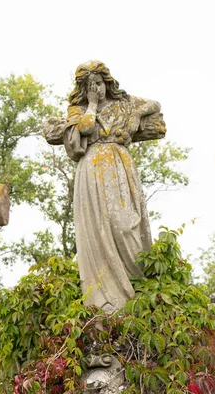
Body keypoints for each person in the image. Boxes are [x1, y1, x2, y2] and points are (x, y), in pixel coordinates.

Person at [63, 60, 161, 312]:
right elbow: (83, 129)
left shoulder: (123, 104)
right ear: (84, 89)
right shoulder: (79, 111)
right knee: (95, 232)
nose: (97, 88)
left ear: (107, 82)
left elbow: (155, 105)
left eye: (99, 83)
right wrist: (92, 105)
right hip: (92, 170)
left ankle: (136, 290)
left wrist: (137, 113)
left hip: (119, 167)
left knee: (123, 224)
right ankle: (103, 302)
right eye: (91, 85)